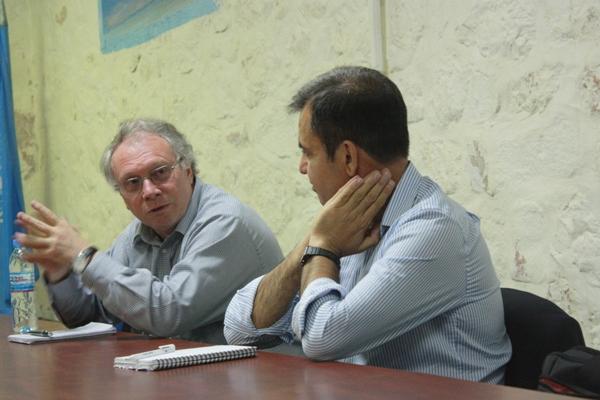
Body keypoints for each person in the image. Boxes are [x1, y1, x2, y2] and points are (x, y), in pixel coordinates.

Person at [224, 66, 512, 383]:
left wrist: (323, 247)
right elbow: (240, 328)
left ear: (348, 157)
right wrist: (314, 242)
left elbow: (322, 337)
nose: (302, 167)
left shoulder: (435, 229)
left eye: (308, 152)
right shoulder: (348, 224)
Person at [14, 118, 283, 343]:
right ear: (122, 197)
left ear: (188, 170)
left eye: (160, 172)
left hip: (266, 378)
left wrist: (85, 256)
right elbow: (94, 319)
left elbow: (168, 312)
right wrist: (60, 273)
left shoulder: (225, 222)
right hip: (186, 376)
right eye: (132, 182)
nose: (149, 191)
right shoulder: (135, 235)